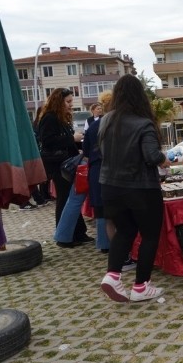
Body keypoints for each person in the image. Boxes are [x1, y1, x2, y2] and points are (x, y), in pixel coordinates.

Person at [99, 74, 171, 303]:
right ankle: (141, 286)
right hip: (140, 188)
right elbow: (151, 156)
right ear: (140, 96)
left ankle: (113, 275)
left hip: (109, 185)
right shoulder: (143, 123)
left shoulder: (106, 120)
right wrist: (164, 159)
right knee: (150, 235)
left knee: (125, 231)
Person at [37, 88, 90, 246]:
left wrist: (77, 143)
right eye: (68, 102)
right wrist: (71, 138)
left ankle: (78, 233)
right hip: (58, 164)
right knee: (65, 199)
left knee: (71, 198)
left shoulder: (60, 117)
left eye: (71, 101)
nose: (70, 105)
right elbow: (47, 141)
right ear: (58, 102)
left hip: (65, 162)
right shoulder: (49, 118)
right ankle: (64, 237)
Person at [82, 91, 112, 254]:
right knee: (113, 208)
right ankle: (116, 245)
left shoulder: (92, 126)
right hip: (111, 169)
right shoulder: (114, 124)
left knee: (100, 209)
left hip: (95, 169)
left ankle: (103, 243)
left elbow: (85, 151)